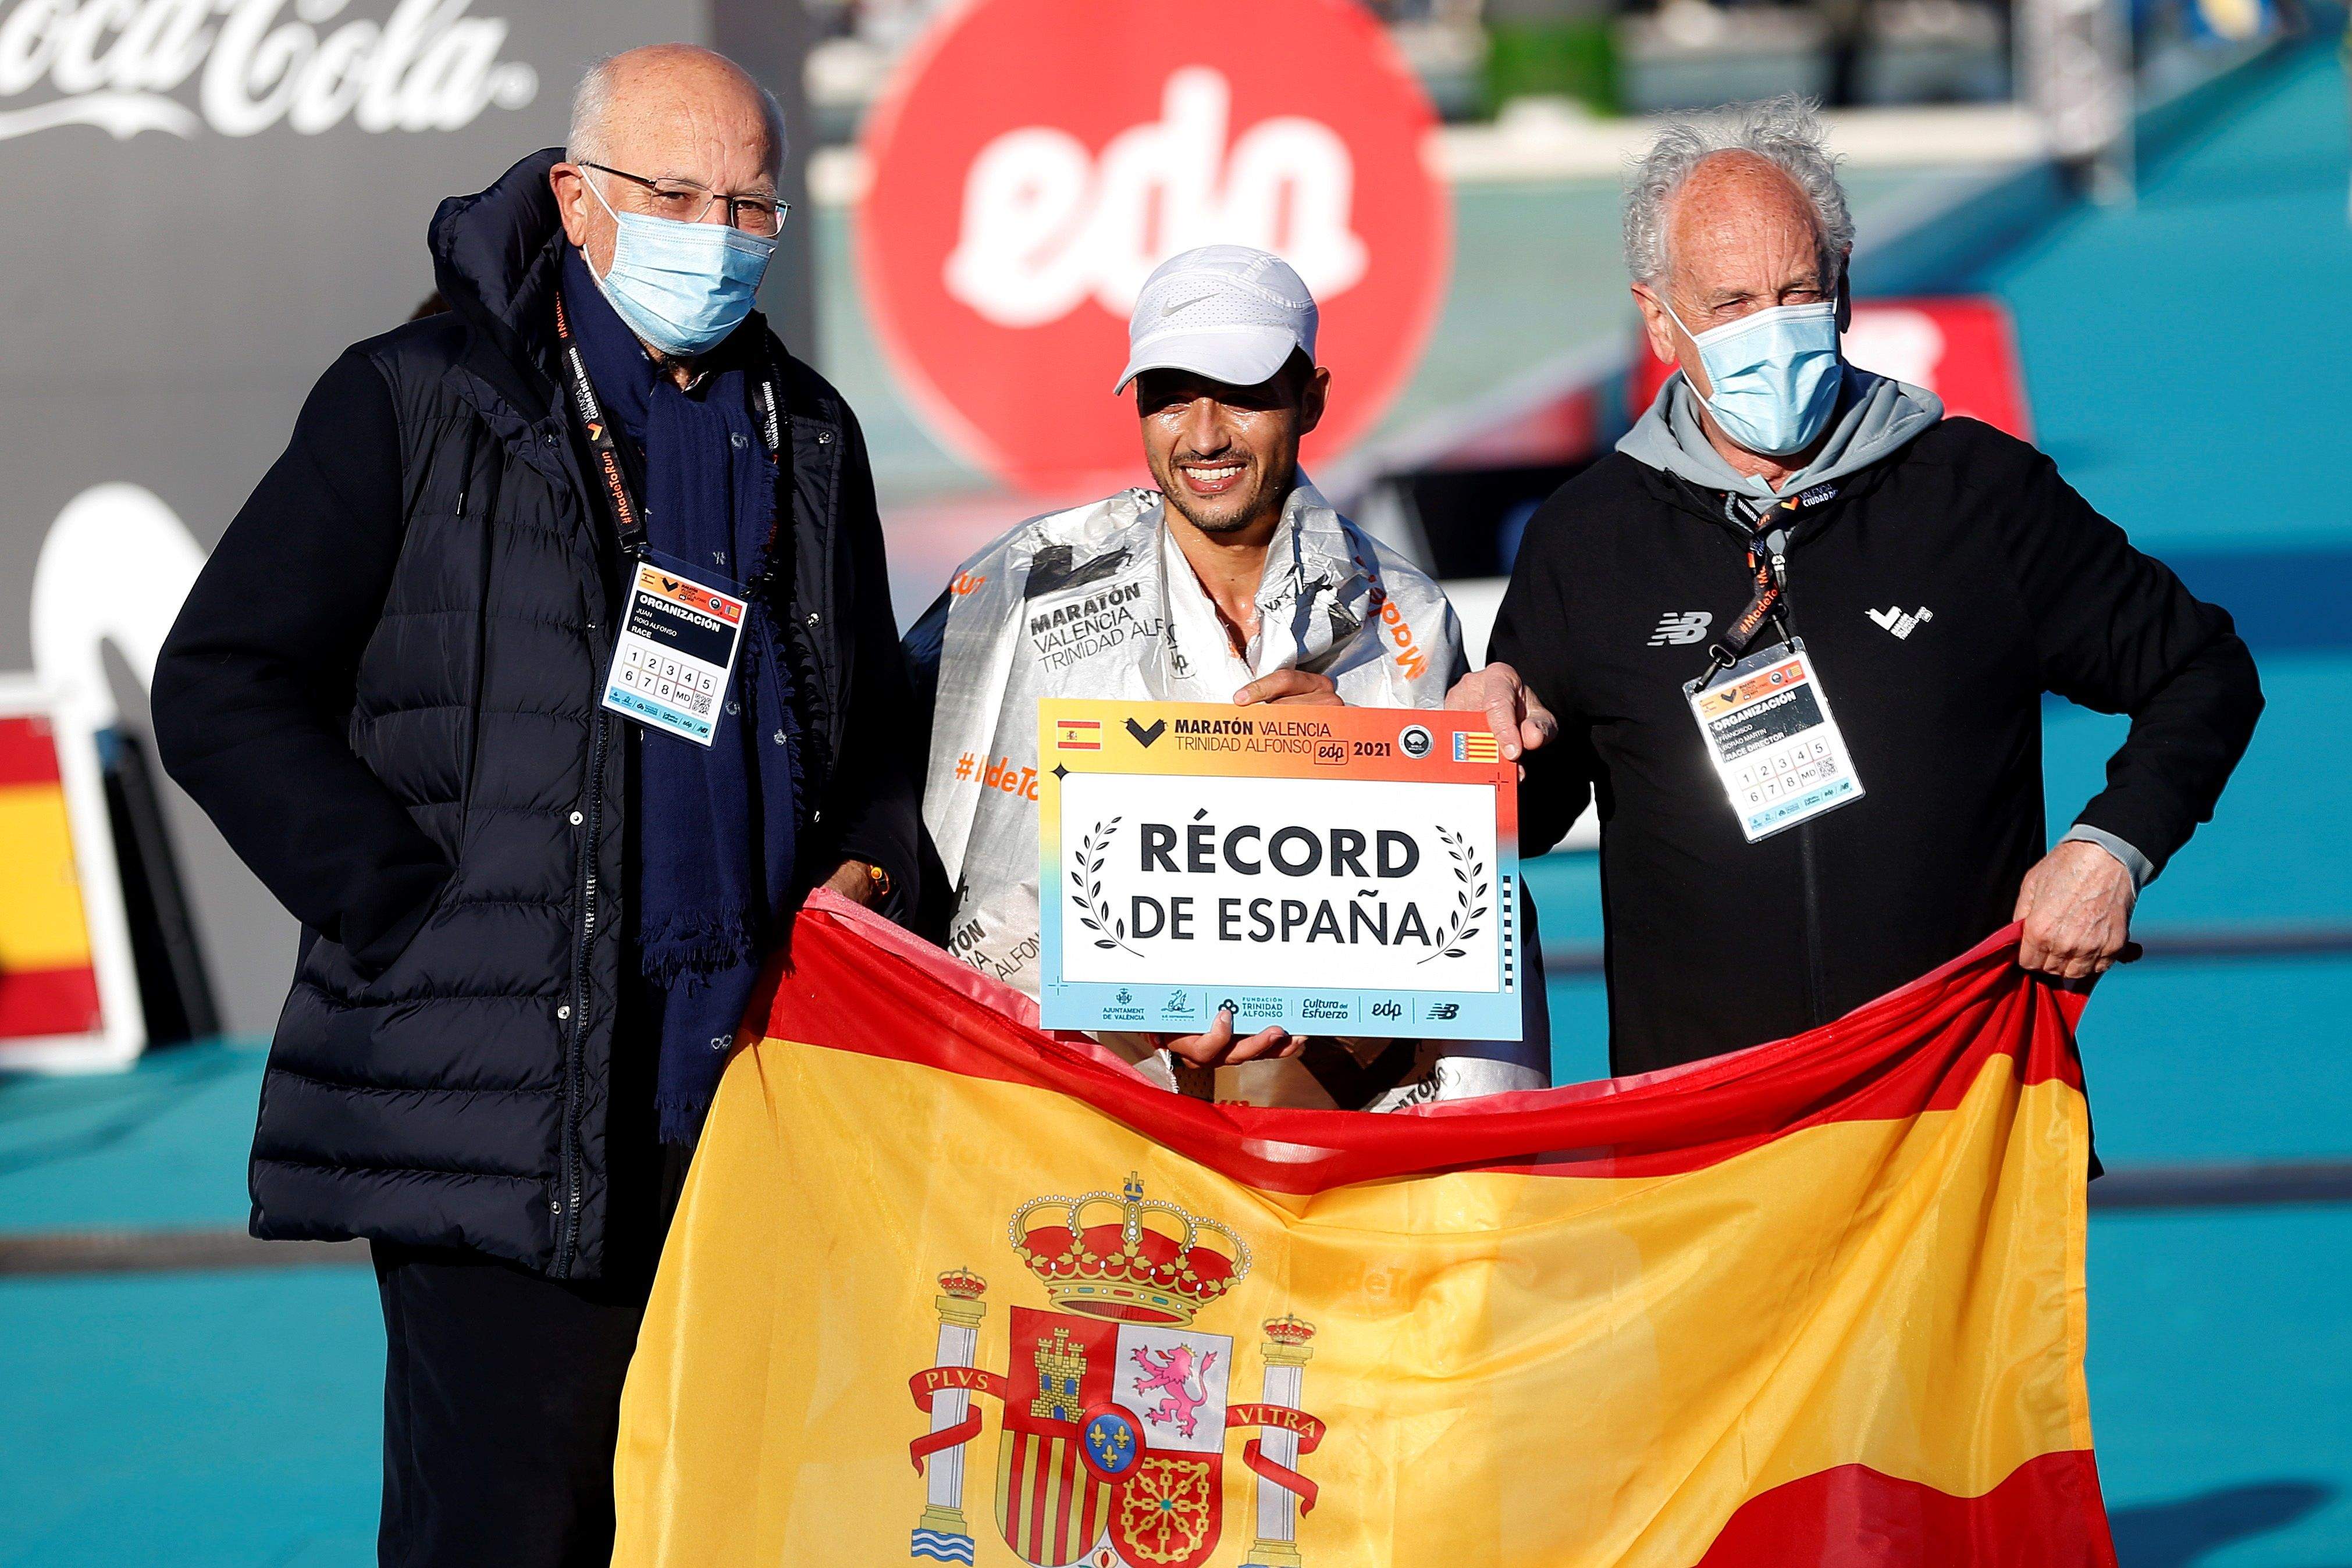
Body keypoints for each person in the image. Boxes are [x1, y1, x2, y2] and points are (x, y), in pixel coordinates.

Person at [151, 45, 919, 1568]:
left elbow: (876, 728)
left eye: (750, 202)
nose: (719, 231)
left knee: (724, 1523)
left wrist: (875, 858)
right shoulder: (420, 402)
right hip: (503, 1100)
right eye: (676, 194)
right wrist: (405, 902)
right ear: (576, 199)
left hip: (755, 1100)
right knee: (509, 1531)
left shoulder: (806, 428)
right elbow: (220, 680)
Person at [1453, 95, 2262, 1077]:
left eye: (1798, 291)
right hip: (1705, 1145)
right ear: (1660, 322)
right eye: (1732, 305)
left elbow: (2202, 670)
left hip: (1959, 1105)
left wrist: (2110, 852)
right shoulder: (1587, 539)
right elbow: (1527, 824)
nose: (1774, 328)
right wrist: (1474, 751)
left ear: (1843, 291)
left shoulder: (1976, 493)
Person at [906, 245, 1549, 1109]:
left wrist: (1359, 759)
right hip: (1078, 1124)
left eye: (1242, 394)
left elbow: (1460, 924)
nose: (1203, 434)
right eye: (1169, 396)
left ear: (1312, 400)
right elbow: (898, 821)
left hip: (1333, 1146)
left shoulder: (1406, 612)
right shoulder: (1025, 585)